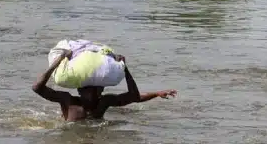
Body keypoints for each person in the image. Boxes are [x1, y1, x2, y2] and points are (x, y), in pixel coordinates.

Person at [32, 49, 177, 122]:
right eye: (89, 90)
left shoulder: (104, 102)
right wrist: (58, 60)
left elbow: (134, 97)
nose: (94, 93)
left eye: (97, 89)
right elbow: (37, 87)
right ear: (80, 90)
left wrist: (124, 68)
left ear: (102, 89)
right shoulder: (68, 101)